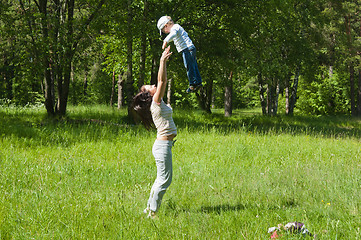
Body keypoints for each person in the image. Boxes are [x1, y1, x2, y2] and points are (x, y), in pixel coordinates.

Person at [132, 46, 176, 219]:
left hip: (164, 145)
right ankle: (153, 213)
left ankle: (149, 209)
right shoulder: (155, 103)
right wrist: (162, 61)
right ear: (150, 95)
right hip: (163, 146)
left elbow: (160, 82)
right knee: (164, 180)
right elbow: (162, 81)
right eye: (150, 87)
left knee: (161, 179)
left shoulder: (157, 102)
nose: (154, 85)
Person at [157, 16, 203, 93]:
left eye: (163, 31)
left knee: (189, 66)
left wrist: (165, 41)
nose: (165, 33)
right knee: (193, 65)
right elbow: (173, 37)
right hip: (189, 49)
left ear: (166, 25)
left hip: (187, 49)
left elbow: (173, 34)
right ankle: (198, 82)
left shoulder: (175, 27)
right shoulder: (175, 29)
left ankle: (193, 84)